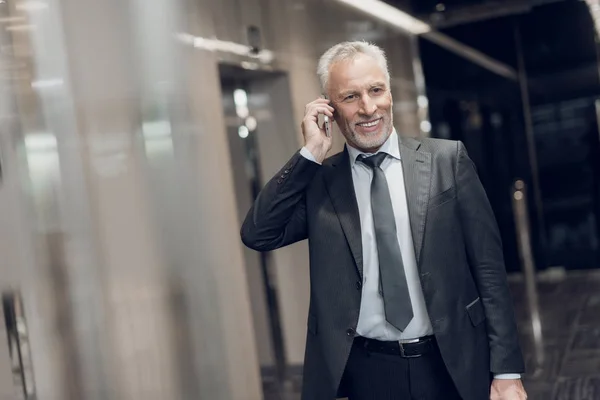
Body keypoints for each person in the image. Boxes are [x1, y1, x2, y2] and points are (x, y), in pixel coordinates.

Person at [241, 41, 527, 400]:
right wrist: (310, 153)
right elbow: (258, 232)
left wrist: (507, 370)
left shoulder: (446, 161)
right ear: (328, 107)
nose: (368, 107)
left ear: (389, 92)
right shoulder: (320, 183)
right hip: (368, 372)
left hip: (450, 361)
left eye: (376, 90)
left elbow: (489, 270)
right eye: (350, 97)